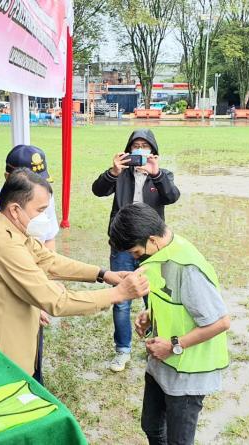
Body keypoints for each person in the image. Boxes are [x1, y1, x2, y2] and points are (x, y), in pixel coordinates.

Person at [0, 168, 149, 376]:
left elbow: (48, 259)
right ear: (15, 209)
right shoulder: (5, 246)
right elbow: (58, 301)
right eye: (40, 210)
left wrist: (103, 274)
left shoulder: (8, 228)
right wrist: (117, 294)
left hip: (5, 348)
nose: (44, 218)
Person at [110, 203, 230, 445]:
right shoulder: (159, 255)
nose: (134, 258)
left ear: (152, 240)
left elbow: (221, 321)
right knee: (152, 427)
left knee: (178, 441)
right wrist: (149, 315)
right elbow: (172, 301)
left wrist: (175, 345)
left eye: (135, 251)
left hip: (188, 373)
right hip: (161, 362)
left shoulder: (187, 267)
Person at [92, 129, 180, 372]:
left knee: (153, 298)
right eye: (135, 145)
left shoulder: (161, 175)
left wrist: (157, 174)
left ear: (153, 151)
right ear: (129, 150)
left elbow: (172, 196)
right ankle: (122, 350)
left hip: (152, 247)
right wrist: (112, 172)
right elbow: (98, 190)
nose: (140, 149)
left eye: (145, 145)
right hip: (122, 244)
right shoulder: (120, 173)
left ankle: (154, 345)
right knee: (121, 298)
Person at [0, 144, 58, 384]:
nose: (36, 184)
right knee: (8, 368)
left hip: (35, 291)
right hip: (11, 294)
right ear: (8, 178)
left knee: (32, 358)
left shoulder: (43, 198)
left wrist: (43, 293)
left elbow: (48, 242)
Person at [0, 144, 59, 249]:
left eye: (40, 181)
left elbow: (49, 238)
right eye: (29, 182)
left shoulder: (44, 196)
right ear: (8, 177)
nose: (38, 187)